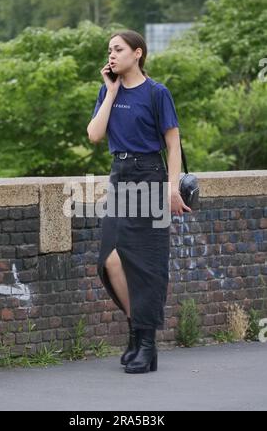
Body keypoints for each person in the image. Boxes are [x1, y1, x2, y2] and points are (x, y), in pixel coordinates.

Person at [87, 30, 192, 374]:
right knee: (111, 260)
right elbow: (95, 134)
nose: (112, 55)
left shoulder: (157, 93)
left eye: (118, 49)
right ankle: (138, 329)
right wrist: (112, 90)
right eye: (109, 50)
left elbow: (173, 145)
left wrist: (171, 187)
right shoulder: (109, 90)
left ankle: (146, 345)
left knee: (146, 265)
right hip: (120, 175)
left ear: (138, 53)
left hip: (150, 177)